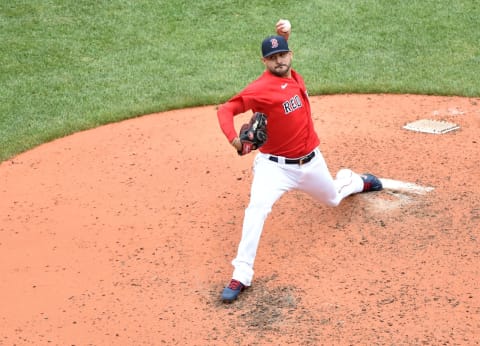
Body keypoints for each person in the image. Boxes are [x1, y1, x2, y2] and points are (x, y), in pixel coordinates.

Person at [216, 19, 383, 303]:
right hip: (274, 167)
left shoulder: (294, 77)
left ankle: (354, 181)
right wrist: (234, 139)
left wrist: (284, 36)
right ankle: (241, 274)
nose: (278, 61)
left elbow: (286, 63)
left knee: (332, 199)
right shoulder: (260, 89)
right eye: (272, 58)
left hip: (311, 163)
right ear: (264, 61)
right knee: (257, 209)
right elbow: (226, 110)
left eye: (282, 54)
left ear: (290, 54)